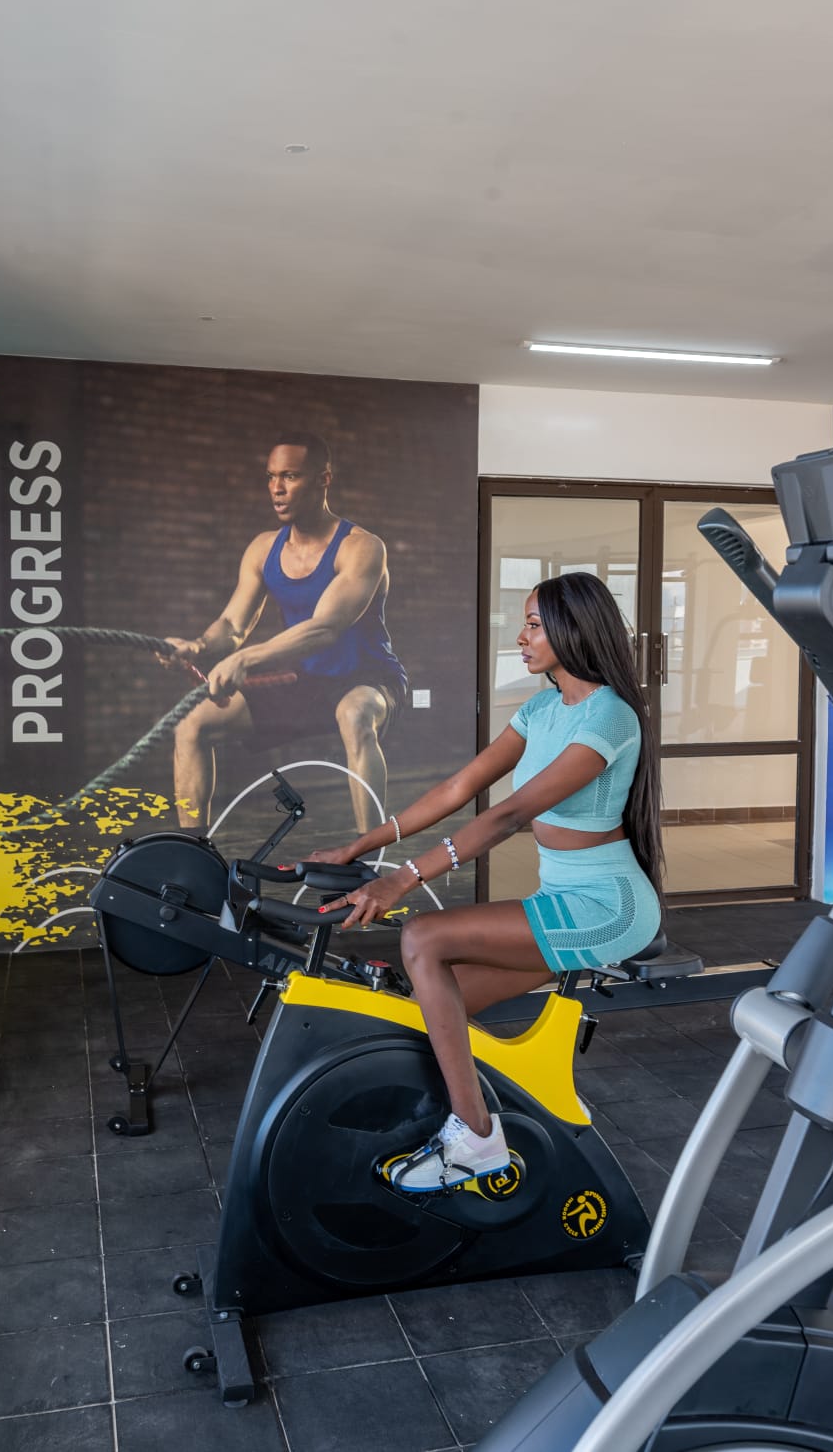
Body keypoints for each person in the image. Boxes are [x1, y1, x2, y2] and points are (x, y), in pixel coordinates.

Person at [310, 571, 664, 1194]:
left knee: (423, 939)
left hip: (605, 907)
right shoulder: (542, 708)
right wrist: (359, 845)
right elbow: (459, 788)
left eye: (533, 624)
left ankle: (476, 1139)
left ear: (572, 629)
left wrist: (401, 880)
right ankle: (482, 1117)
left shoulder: (610, 716)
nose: (520, 637)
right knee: (427, 1009)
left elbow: (508, 815)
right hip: (562, 898)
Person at [162, 432, 407, 835]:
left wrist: (245, 658)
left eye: (290, 476)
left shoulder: (361, 548)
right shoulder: (263, 549)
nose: (276, 488)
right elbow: (232, 626)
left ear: (323, 479)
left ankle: (370, 854)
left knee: (354, 714)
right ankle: (192, 850)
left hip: (368, 678)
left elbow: (324, 629)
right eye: (271, 477)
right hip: (305, 680)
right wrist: (198, 646)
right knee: (191, 724)